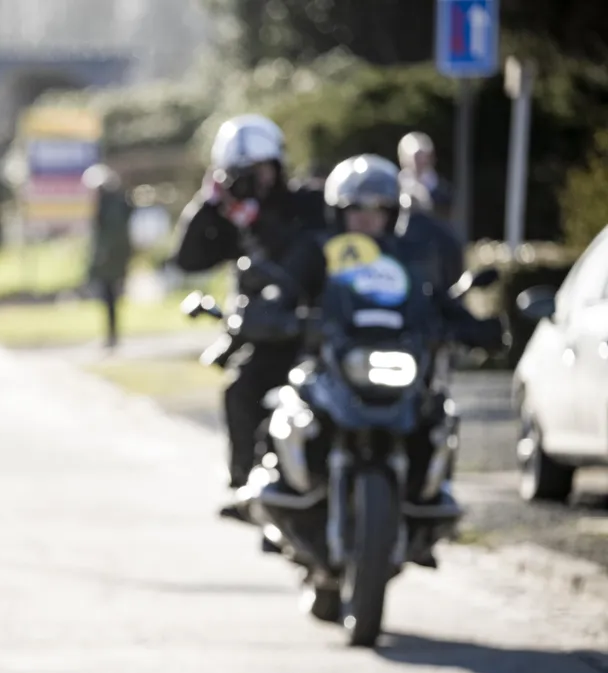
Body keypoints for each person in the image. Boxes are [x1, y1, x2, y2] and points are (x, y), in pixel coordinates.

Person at [284, 154, 503, 564]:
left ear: (394, 213)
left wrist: (475, 326)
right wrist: (277, 312)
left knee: (436, 413)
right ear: (338, 211)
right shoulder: (316, 251)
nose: (368, 219)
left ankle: (427, 497)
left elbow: (438, 301)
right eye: (356, 209)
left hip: (396, 367)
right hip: (334, 368)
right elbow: (286, 289)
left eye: (379, 209)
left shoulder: (409, 259)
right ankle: (286, 486)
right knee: (290, 400)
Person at [169, 114, 327, 518]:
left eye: (259, 169)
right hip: (265, 333)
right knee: (241, 390)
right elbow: (188, 257)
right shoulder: (230, 215)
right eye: (240, 173)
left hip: (315, 329)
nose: (253, 180)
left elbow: (311, 253)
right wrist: (209, 203)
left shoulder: (307, 203)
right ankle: (248, 486)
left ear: (277, 164)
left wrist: (258, 221)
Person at [84, 164, 134, 349]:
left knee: (111, 297)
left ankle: (112, 336)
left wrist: (103, 254)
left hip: (111, 259)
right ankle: (111, 336)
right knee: (108, 299)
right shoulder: (111, 203)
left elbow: (113, 234)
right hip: (110, 258)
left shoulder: (111, 205)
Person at [397, 132, 453, 221]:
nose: (420, 161)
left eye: (423, 156)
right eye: (416, 156)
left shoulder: (444, 190)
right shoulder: (394, 185)